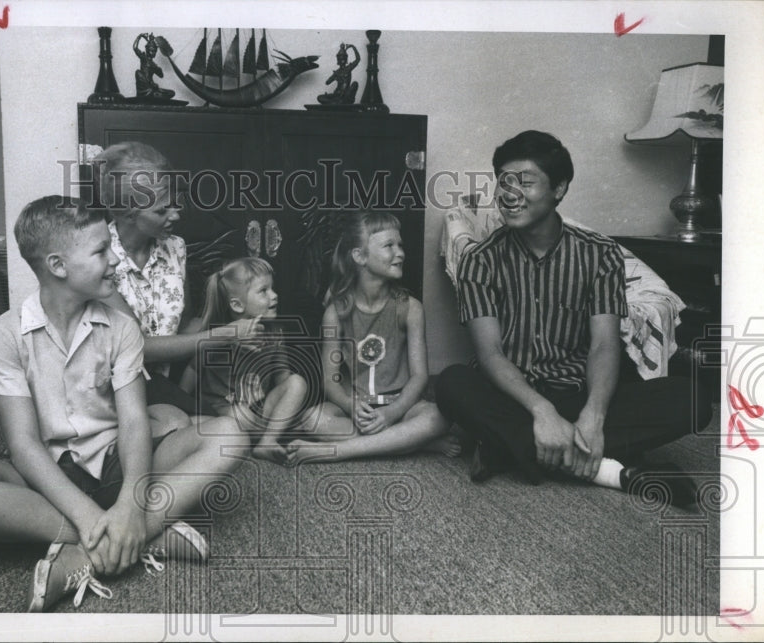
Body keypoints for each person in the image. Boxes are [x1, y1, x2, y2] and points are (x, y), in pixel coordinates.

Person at [0, 196, 250, 612]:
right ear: (58, 266)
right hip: (46, 477)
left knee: (228, 434)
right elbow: (23, 446)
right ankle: (132, 537)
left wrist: (131, 504)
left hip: (114, 461)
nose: (114, 260)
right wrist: (92, 519)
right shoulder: (3, 335)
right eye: (100, 251)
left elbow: (133, 424)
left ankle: (106, 542)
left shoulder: (121, 330)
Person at [434, 130, 712, 506]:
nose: (510, 195)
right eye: (504, 182)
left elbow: (603, 344)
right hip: (513, 395)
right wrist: (541, 411)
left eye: (526, 182)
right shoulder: (479, 261)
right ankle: (616, 472)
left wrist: (593, 416)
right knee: (451, 384)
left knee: (692, 398)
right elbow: (491, 355)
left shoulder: (600, 256)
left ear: (559, 189)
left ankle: (506, 447)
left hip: (579, 392)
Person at [90, 142, 262, 412]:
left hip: (164, 383)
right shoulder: (100, 258)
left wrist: (243, 322)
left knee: (236, 418)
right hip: (116, 389)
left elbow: (185, 325)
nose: (176, 215)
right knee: (220, 429)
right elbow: (138, 348)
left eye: (175, 204)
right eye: (162, 210)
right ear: (127, 214)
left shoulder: (175, 247)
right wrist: (225, 334)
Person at [285, 211, 460, 464]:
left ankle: (337, 452)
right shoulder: (336, 312)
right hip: (359, 409)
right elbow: (330, 380)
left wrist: (392, 412)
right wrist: (349, 405)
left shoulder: (410, 308)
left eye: (400, 245)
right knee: (311, 420)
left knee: (437, 417)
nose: (399, 252)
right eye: (389, 245)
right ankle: (411, 442)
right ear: (360, 256)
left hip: (402, 407)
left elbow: (420, 377)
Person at [186, 258, 310, 464]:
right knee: (240, 417)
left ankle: (266, 442)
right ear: (237, 304)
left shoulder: (274, 333)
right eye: (264, 291)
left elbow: (283, 377)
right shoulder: (221, 335)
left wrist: (286, 408)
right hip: (223, 415)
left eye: (273, 288)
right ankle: (248, 438)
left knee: (298, 382)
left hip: (259, 411)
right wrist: (185, 405)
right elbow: (192, 371)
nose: (274, 295)